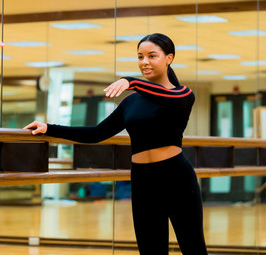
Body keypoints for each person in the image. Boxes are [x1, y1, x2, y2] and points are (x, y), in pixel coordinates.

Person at [24, 33, 208, 255]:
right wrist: (50, 128)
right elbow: (96, 134)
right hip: (142, 180)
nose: (144, 62)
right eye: (140, 57)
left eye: (152, 56)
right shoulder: (131, 102)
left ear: (169, 58)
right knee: (151, 251)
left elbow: (161, 94)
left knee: (194, 249)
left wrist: (129, 80)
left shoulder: (183, 95)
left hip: (177, 178)